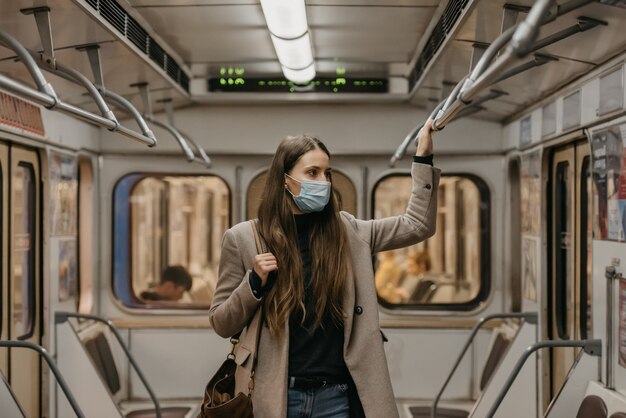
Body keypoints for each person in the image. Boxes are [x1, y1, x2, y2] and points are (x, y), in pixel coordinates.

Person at [209, 120, 439, 418]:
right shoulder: (243, 239)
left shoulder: (349, 231)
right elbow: (221, 322)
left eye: (327, 173)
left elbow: (417, 225)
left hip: (337, 397)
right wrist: (253, 283)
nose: (323, 182)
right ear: (285, 179)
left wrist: (423, 158)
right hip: (278, 395)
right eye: (312, 173)